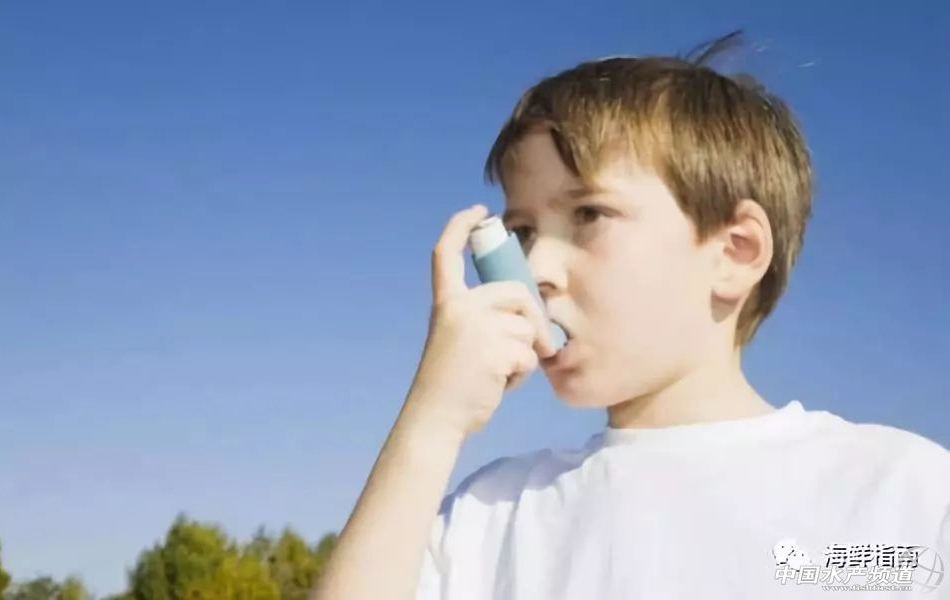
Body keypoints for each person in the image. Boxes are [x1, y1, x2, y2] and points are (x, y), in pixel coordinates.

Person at [312, 32, 950, 599]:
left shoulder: (898, 492)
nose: (535, 268)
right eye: (522, 232)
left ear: (735, 252)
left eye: (589, 215)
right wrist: (431, 424)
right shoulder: (495, 512)